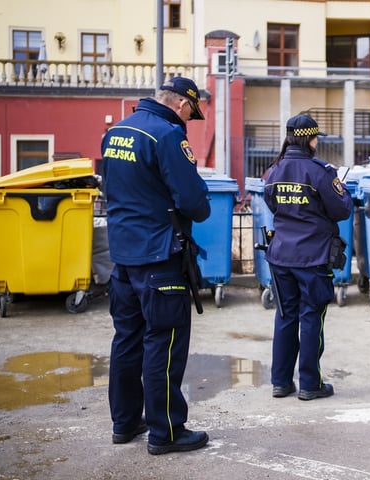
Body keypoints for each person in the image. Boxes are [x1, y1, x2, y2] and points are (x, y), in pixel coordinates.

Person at [100, 76, 211, 455]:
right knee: (163, 344)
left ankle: (125, 422)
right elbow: (194, 202)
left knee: (127, 340)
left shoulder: (117, 132)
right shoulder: (167, 136)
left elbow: (113, 190)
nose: (188, 120)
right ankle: (167, 431)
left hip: (123, 257)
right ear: (182, 104)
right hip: (160, 256)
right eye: (190, 113)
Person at [264, 114, 353, 401]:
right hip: (313, 258)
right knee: (312, 317)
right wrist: (343, 190)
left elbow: (272, 204)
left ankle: (280, 382)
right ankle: (310, 384)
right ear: (311, 140)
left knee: (285, 316)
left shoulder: (274, 171)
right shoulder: (321, 172)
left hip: (280, 256)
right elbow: (341, 210)